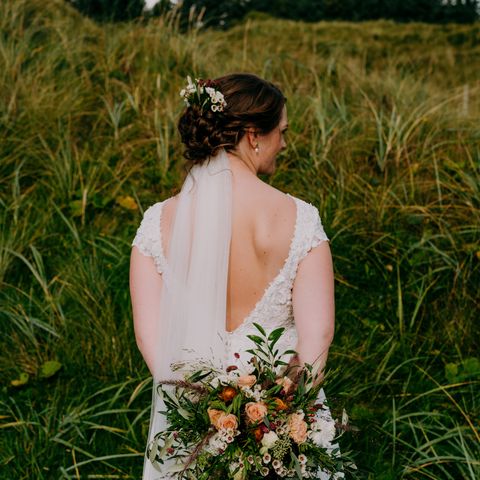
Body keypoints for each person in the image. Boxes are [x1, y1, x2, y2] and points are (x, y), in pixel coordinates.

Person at [130, 73, 339, 479]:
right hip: (282, 431)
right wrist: (274, 423)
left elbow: (150, 339)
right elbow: (318, 338)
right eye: (282, 132)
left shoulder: (156, 225)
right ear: (253, 136)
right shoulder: (300, 220)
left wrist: (202, 414)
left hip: (193, 427)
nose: (285, 144)